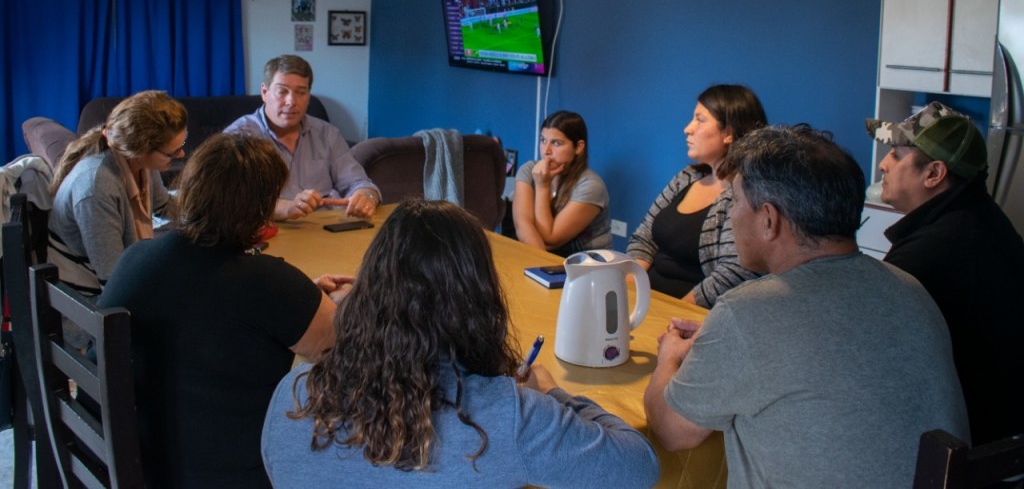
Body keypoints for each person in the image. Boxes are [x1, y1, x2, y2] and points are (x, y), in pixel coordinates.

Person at [644, 124, 969, 488]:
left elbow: (671, 431)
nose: (731, 215)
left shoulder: (750, 312)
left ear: (769, 220)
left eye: (734, 201)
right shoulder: (911, 289)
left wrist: (669, 356)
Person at [262, 199, 660, 489]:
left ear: (368, 290)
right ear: (478, 300)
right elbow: (639, 467)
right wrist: (555, 393)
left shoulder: (292, 393)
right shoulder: (510, 414)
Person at [99, 133, 347, 488]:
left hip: (136, 459)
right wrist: (345, 304)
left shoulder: (136, 257)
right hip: (227, 473)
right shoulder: (269, 283)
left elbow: (209, 307)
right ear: (261, 209)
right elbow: (345, 351)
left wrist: (303, 296)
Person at [867, 101, 1024, 445]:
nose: (883, 164)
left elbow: (869, 351)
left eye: (896, 155)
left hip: (967, 446)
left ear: (934, 173)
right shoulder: (980, 220)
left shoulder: (931, 252)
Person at [627, 84, 766, 305]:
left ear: (728, 133)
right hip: (646, 301)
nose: (687, 129)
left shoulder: (746, 194)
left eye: (700, 120)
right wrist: (631, 289)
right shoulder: (686, 177)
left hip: (688, 314)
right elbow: (644, 237)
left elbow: (733, 273)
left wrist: (673, 313)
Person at [47, 90, 187, 293]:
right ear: (140, 150)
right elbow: (112, 280)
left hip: (122, 274)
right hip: (86, 296)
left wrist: (210, 221)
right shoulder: (96, 187)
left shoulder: (141, 164)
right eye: (172, 152)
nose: (181, 154)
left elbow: (165, 205)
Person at [224, 54, 381, 221]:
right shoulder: (237, 138)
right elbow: (229, 202)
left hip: (326, 226)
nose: (291, 101)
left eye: (301, 92)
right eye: (282, 91)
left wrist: (366, 197)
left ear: (308, 96)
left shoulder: (327, 134)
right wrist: (284, 208)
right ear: (264, 92)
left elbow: (358, 182)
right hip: (271, 229)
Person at [512, 110, 612, 256]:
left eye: (556, 143)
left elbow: (550, 239)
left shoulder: (591, 186)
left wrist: (542, 186)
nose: (546, 151)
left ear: (578, 147)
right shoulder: (528, 170)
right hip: (548, 261)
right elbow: (523, 226)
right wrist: (541, 266)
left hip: (588, 264)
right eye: (543, 140)